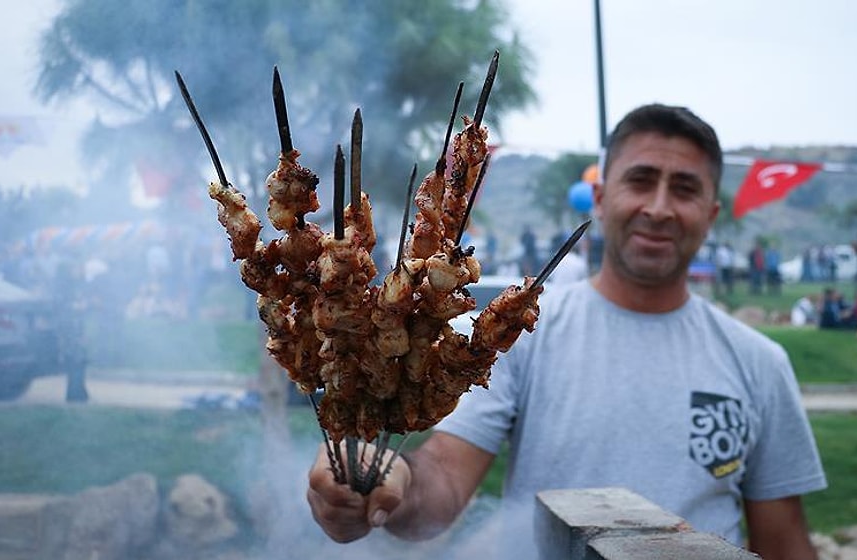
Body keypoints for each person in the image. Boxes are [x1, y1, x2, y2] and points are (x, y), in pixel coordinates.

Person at [307, 104, 826, 559]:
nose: (658, 207)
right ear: (599, 197)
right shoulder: (518, 337)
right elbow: (442, 479)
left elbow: (784, 542)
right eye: (640, 180)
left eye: (684, 189)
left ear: (711, 215)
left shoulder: (760, 363)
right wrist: (394, 480)